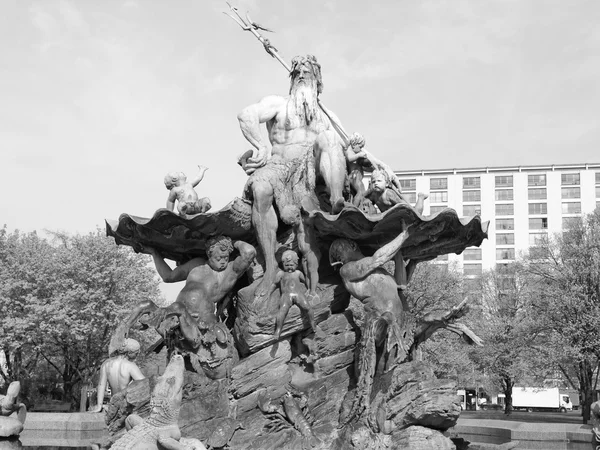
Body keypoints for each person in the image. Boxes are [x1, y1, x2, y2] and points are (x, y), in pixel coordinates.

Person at [237, 55, 347, 298]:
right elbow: (246, 115)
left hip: (311, 170)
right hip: (279, 165)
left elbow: (347, 151)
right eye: (297, 73)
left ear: (318, 81)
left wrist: (359, 146)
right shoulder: (279, 104)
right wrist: (260, 146)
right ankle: (269, 268)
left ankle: (337, 200)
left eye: (307, 73)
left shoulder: (328, 117)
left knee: (330, 139)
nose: (301, 76)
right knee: (261, 189)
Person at [329, 225, 415, 423]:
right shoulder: (347, 269)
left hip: (398, 323)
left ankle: (386, 414)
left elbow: (400, 285)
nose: (353, 245)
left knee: (392, 369)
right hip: (379, 323)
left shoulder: (379, 271)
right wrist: (403, 235)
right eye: (347, 246)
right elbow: (377, 258)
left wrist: (400, 253)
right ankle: (370, 416)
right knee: (379, 369)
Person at [140, 236, 256, 349]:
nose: (223, 262)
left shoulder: (229, 271)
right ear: (209, 254)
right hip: (175, 315)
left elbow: (249, 252)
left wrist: (231, 242)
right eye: (219, 258)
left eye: (225, 258)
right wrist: (154, 253)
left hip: (201, 320)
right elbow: (168, 276)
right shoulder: (196, 264)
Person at [267, 250, 317, 340]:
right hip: (286, 295)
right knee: (282, 310)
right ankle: (278, 330)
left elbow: (306, 281)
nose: (289, 268)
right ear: (283, 265)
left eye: (291, 265)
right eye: (287, 265)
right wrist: (269, 293)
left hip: (298, 294)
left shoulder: (298, 273)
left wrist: (310, 289)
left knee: (307, 307)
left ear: (296, 265)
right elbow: (274, 284)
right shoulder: (281, 274)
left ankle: (313, 323)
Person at [90, 338, 145, 413]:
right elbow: (144, 385)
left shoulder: (106, 364)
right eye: (136, 353)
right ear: (129, 352)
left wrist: (99, 406)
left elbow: (101, 385)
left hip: (113, 404)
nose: (137, 355)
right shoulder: (131, 366)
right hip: (126, 405)